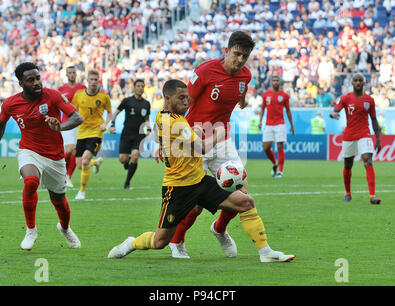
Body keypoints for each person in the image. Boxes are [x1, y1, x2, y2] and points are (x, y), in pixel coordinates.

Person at [107, 79, 295, 263]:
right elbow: (202, 148)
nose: (185, 101)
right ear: (167, 98)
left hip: (200, 181)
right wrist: (218, 134)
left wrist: (164, 146)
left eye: (187, 97)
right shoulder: (177, 123)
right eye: (181, 97)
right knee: (159, 241)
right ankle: (131, 243)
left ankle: (266, 252)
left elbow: (163, 135)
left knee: (246, 202)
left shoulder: (162, 116)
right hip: (178, 188)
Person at [0, 62, 83, 250]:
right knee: (31, 181)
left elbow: (77, 117)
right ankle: (31, 230)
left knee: (59, 201)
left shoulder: (53, 96)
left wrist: (60, 126)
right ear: (21, 83)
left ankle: (65, 228)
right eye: (31, 80)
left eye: (38, 78)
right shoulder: (11, 103)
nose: (36, 83)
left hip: (55, 156)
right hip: (29, 151)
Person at [166, 31, 255, 259]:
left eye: (245, 56)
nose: (240, 60)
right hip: (195, 138)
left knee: (241, 189)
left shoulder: (246, 76)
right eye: (236, 54)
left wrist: (243, 101)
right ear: (226, 51)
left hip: (221, 137)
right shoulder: (205, 71)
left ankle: (219, 229)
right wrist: (167, 137)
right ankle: (176, 241)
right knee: (195, 202)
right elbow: (182, 104)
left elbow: (241, 94)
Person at [330, 73, 382, 204]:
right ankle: (348, 193)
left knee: (367, 160)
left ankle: (372, 196)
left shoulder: (369, 100)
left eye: (360, 80)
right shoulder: (346, 98)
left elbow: (374, 120)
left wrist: (378, 139)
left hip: (364, 133)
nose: (358, 83)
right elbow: (336, 109)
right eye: (355, 81)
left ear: (364, 83)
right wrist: (333, 114)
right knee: (348, 165)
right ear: (352, 83)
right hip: (349, 135)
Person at [71, 70, 113, 200]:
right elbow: (72, 111)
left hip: (96, 131)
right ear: (87, 81)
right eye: (92, 79)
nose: (94, 82)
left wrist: (105, 123)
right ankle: (95, 163)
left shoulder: (104, 97)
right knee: (79, 165)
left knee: (84, 160)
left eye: (96, 80)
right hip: (82, 131)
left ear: (99, 81)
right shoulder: (78, 95)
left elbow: (110, 113)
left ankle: (82, 192)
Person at [110, 79, 151, 189]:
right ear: (134, 87)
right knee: (123, 159)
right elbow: (116, 113)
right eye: (138, 86)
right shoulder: (127, 101)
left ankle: (127, 183)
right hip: (127, 133)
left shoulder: (146, 104)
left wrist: (149, 130)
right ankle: (126, 163)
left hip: (139, 134)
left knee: (135, 156)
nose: (140, 88)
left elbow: (147, 118)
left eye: (142, 86)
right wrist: (112, 124)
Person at [258, 75, 295, 178]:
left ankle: (280, 172)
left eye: (277, 80)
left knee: (280, 146)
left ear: (280, 82)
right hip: (269, 124)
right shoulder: (266, 94)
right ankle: (275, 163)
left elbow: (288, 110)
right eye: (273, 80)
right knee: (266, 148)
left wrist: (291, 125)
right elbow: (262, 109)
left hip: (280, 124)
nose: (275, 82)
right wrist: (260, 121)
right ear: (271, 82)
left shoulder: (284, 95)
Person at [57, 65, 86, 188]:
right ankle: (61, 174)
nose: (72, 74)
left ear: (76, 74)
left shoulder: (82, 88)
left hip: (80, 122)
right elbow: (56, 105)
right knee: (68, 149)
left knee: (74, 151)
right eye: (70, 72)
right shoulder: (61, 89)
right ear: (66, 74)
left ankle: (68, 177)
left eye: (74, 72)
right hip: (67, 122)